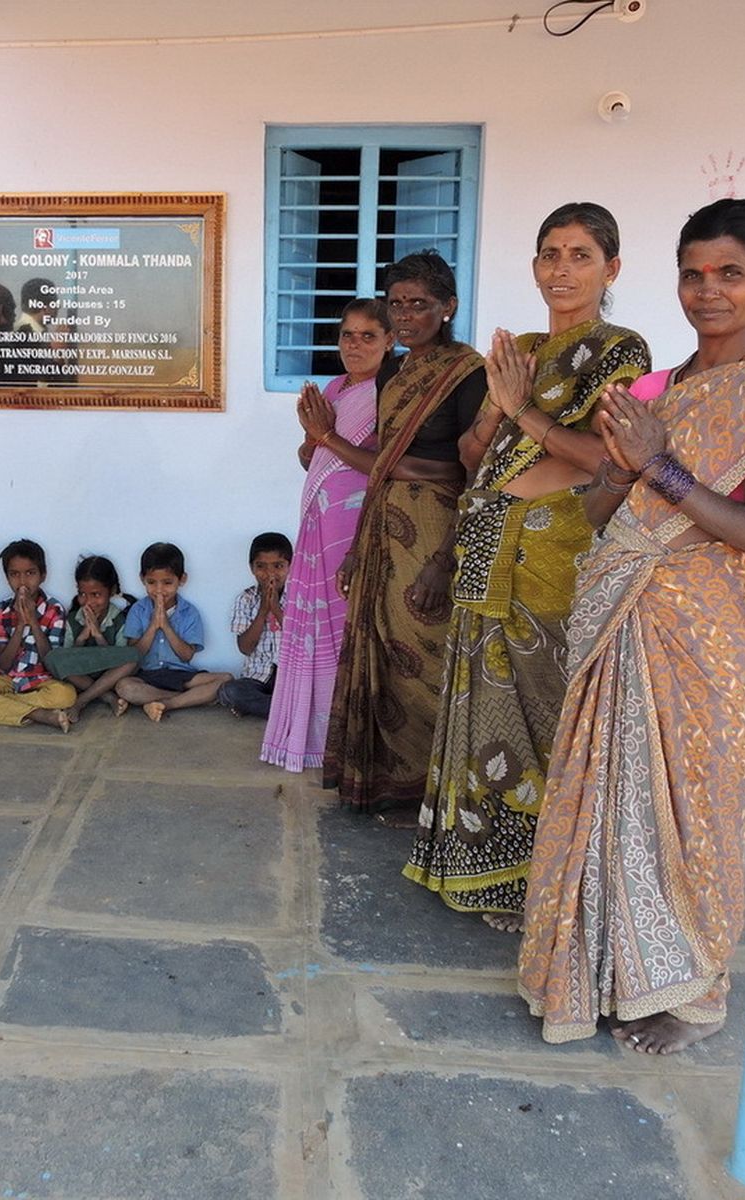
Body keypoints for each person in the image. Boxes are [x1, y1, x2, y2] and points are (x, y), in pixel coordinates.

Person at [518, 199, 745, 1053]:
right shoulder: (654, 389)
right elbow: (609, 507)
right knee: (611, 796)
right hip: (624, 614)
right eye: (694, 273)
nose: (709, 291)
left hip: (705, 635)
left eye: (732, 274)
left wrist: (657, 463)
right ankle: (610, 970)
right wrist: (618, 471)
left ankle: (690, 992)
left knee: (699, 810)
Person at [404, 204, 651, 931]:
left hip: (549, 561)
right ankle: (479, 865)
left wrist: (527, 415)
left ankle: (537, 877)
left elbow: (614, 460)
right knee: (483, 715)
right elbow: (477, 458)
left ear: (612, 267)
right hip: (488, 556)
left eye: (580, 254)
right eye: (550, 253)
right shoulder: (528, 349)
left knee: (544, 719)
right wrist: (496, 409)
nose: (561, 269)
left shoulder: (617, 352)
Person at [315, 251, 487, 824]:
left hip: (437, 534)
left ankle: (433, 791)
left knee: (429, 660)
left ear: (448, 307)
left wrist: (445, 562)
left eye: (420, 304)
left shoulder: (470, 373)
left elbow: (472, 475)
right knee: (384, 656)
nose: (408, 315)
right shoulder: (394, 370)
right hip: (384, 528)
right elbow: (383, 468)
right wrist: (361, 546)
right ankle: (388, 785)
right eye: (398, 304)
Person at [261, 300, 394, 771]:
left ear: (389, 341)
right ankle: (310, 736)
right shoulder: (335, 388)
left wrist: (326, 437)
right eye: (347, 335)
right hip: (319, 520)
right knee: (314, 628)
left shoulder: (390, 392)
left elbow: (385, 466)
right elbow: (312, 459)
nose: (355, 345)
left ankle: (347, 740)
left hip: (355, 526)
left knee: (345, 625)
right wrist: (311, 436)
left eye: (368, 336)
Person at [0, 538, 77, 729]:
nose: (23, 581)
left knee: (66, 694)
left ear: (43, 575)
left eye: (30, 573)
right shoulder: (1, 610)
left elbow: (52, 662)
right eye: (15, 575)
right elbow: (3, 663)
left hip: (41, 681)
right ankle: (38, 714)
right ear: (7, 578)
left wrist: (33, 622)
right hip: (7, 679)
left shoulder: (54, 609)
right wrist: (19, 626)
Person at [115, 542, 233, 721]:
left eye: (167, 582)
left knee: (226, 679)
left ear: (182, 579)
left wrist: (166, 626)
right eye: (152, 582)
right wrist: (154, 625)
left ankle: (165, 704)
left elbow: (186, 656)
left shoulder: (189, 612)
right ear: (142, 579)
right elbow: (135, 654)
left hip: (181, 675)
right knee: (124, 686)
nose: (159, 590)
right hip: (147, 675)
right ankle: (189, 699)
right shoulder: (138, 610)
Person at [49, 554, 140, 723]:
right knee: (52, 658)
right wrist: (82, 636)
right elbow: (67, 656)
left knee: (134, 657)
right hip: (81, 675)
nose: (88, 602)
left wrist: (98, 635)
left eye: (96, 594)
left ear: (111, 591)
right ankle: (106, 697)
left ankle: (81, 701)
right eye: (82, 594)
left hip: (110, 675)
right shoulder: (73, 619)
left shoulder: (118, 619)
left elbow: (119, 656)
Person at [217, 532, 293, 717]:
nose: (270, 574)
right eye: (261, 566)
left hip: (291, 675)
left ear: (290, 566)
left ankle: (264, 708)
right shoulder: (245, 599)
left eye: (278, 566)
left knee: (317, 690)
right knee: (229, 691)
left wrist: (276, 609)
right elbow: (245, 648)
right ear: (252, 568)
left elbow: (300, 641)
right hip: (257, 676)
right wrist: (263, 610)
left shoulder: (299, 597)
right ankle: (287, 711)